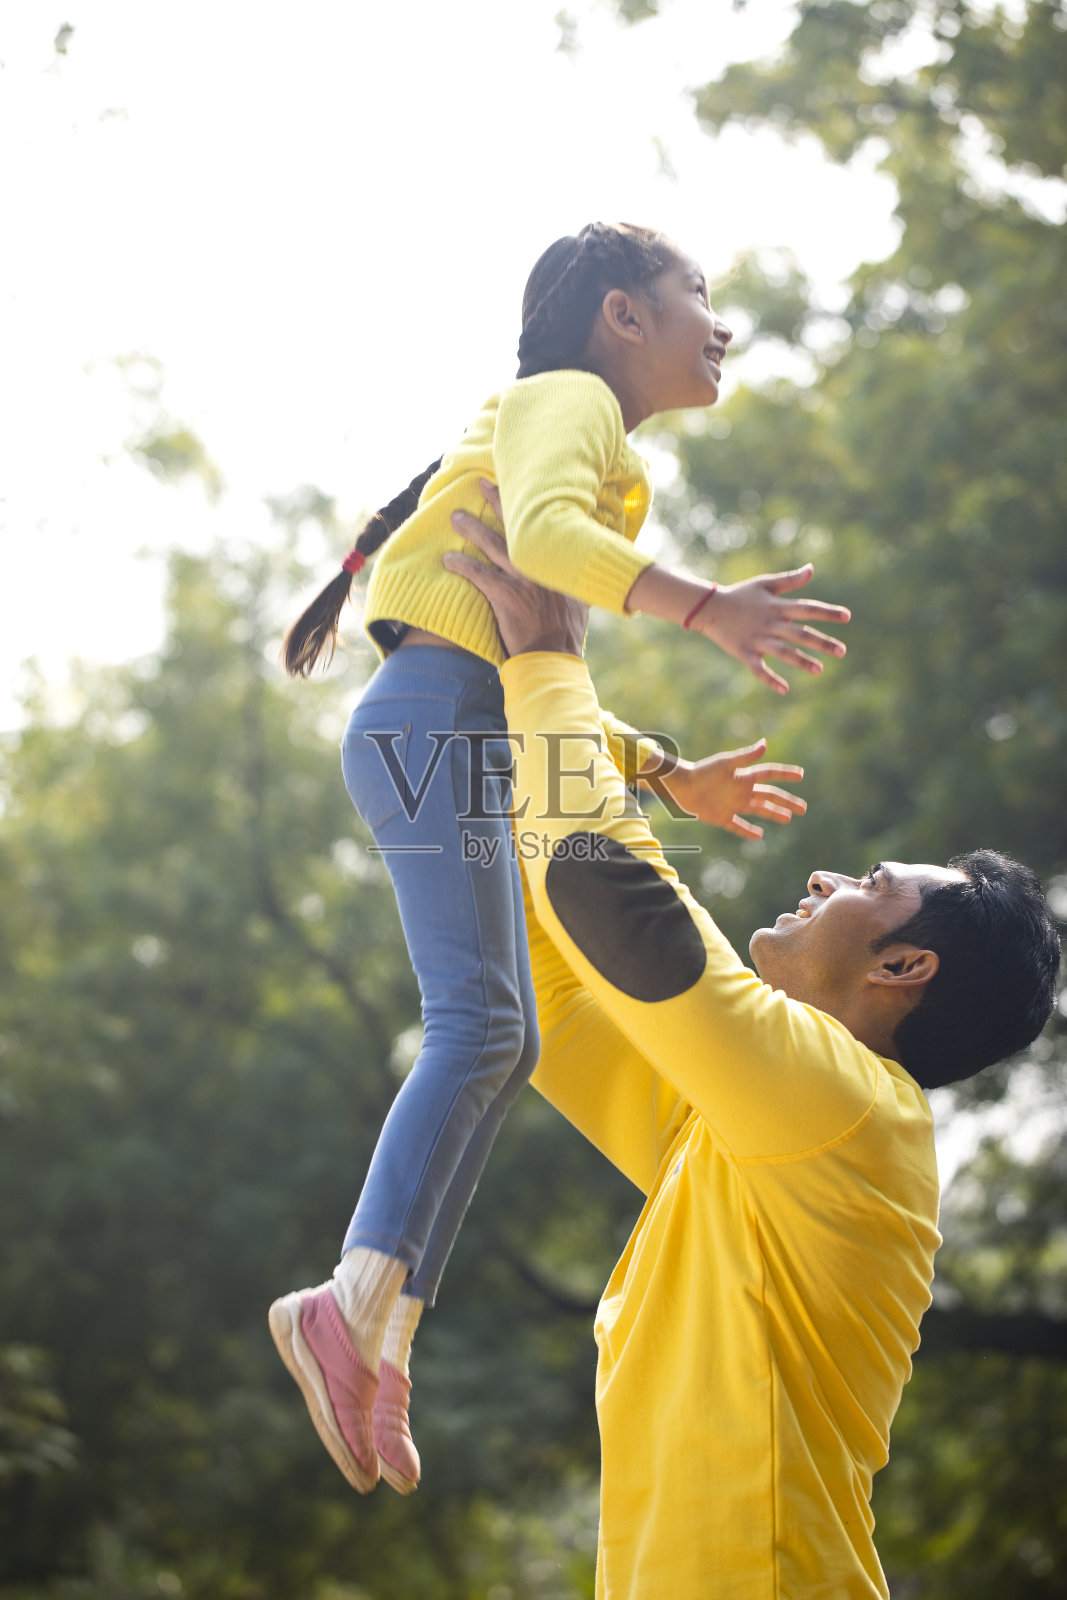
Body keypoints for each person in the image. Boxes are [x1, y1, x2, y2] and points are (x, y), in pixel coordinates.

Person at [268, 222, 851, 1496]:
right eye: (696, 291)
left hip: (461, 726)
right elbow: (540, 545)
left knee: (503, 1036)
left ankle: (380, 1335)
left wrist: (665, 774)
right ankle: (342, 1301)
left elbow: (534, 651)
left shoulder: (587, 428)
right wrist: (705, 606)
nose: (719, 319)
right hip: (433, 728)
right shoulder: (566, 399)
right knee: (479, 1026)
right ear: (618, 315)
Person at [441, 509, 1062, 1599]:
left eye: (866, 884)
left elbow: (619, 913)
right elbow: (543, 970)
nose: (823, 878)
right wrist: (485, 693)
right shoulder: (743, 1133)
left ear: (903, 968)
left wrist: (550, 657)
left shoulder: (848, 1110)